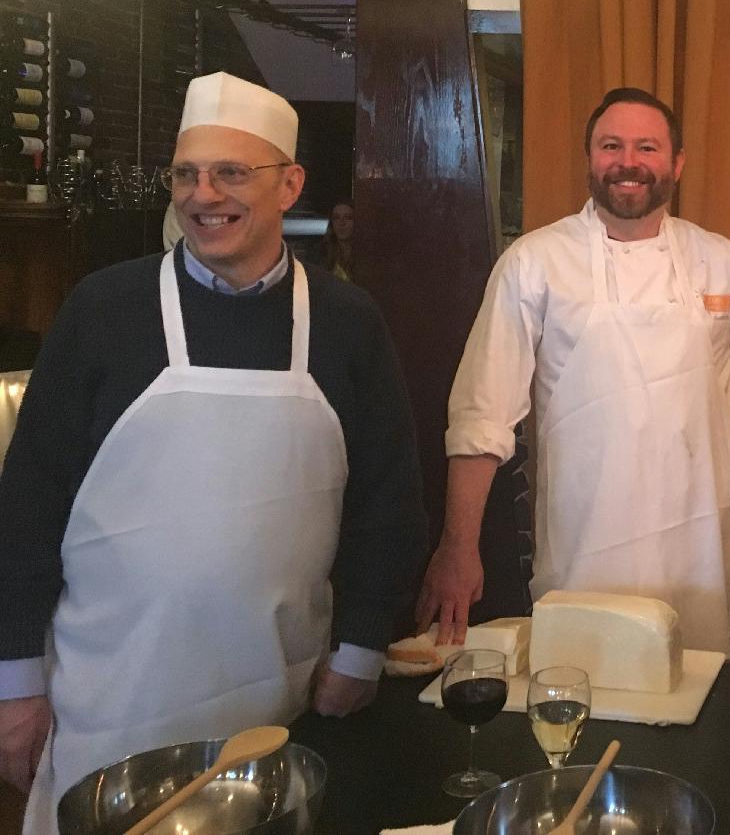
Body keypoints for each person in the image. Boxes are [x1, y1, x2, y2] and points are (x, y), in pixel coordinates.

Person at [0, 72, 427, 834]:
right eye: (187, 174)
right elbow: (27, 505)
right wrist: (15, 680)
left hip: (276, 705)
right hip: (105, 702)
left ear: (290, 183)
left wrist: (361, 646)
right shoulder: (103, 308)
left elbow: (386, 503)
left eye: (232, 172)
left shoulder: (346, 322)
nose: (204, 195)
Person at [423, 87, 730, 654]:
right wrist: (458, 547)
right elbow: (481, 415)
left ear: (676, 164)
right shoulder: (535, 262)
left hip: (697, 552)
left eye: (648, 147)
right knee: (580, 696)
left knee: (694, 706)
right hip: (585, 547)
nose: (629, 163)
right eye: (611, 145)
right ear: (590, 158)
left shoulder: (722, 260)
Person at [322, 201, 355, 281]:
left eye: (348, 217)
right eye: (336, 218)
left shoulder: (368, 255)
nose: (341, 223)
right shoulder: (320, 253)